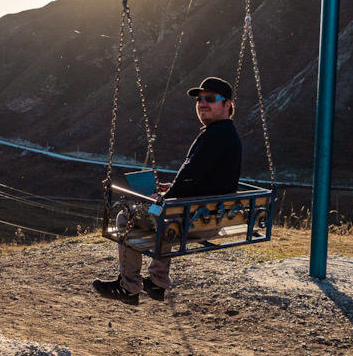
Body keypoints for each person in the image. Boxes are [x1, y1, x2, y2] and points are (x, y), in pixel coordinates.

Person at [93, 76, 242, 304]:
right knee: (164, 216)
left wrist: (164, 197)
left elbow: (192, 174)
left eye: (210, 99)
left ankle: (129, 286)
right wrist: (171, 189)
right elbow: (202, 178)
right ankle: (157, 282)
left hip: (196, 220)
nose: (202, 103)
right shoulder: (224, 133)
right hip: (208, 217)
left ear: (227, 104)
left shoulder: (217, 134)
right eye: (200, 99)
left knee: (127, 217)